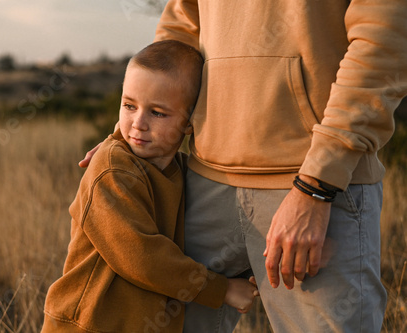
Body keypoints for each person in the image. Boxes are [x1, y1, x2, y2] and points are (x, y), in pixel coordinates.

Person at [80, 1, 407, 332]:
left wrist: (317, 183)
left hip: (309, 186)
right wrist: (126, 136)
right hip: (201, 181)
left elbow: (384, 41)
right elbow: (180, 34)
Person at [41, 40, 259, 333]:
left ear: (190, 122)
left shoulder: (179, 170)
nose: (138, 124)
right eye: (129, 105)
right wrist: (221, 289)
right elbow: (141, 256)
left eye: (157, 112)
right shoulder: (112, 169)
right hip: (90, 323)